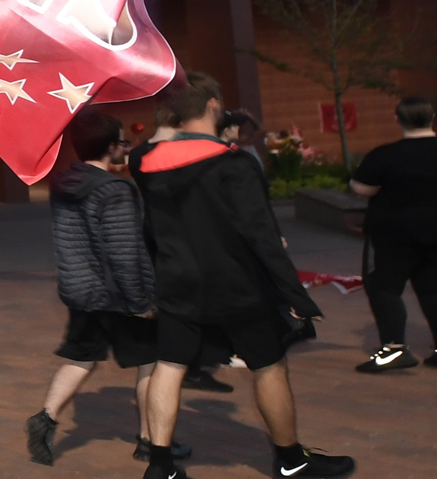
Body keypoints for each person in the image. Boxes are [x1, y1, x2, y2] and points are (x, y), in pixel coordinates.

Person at [130, 74, 354, 479]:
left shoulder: (145, 164)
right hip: (236, 283)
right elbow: (261, 234)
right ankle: (290, 460)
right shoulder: (232, 163)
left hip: (177, 281)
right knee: (268, 365)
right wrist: (296, 296)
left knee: (170, 364)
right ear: (215, 105)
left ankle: (160, 466)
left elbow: (151, 223)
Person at [27, 112, 188, 467]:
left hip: (81, 290)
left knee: (81, 359)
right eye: (121, 140)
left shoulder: (64, 183)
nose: (125, 146)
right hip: (118, 295)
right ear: (111, 147)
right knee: (150, 364)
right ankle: (149, 440)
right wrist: (140, 302)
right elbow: (124, 252)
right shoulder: (114, 190)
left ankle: (45, 418)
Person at [349, 96, 437, 374]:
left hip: (396, 232)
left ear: (398, 119)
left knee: (384, 287)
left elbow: (363, 189)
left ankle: (394, 349)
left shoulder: (386, 155)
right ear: (432, 118)